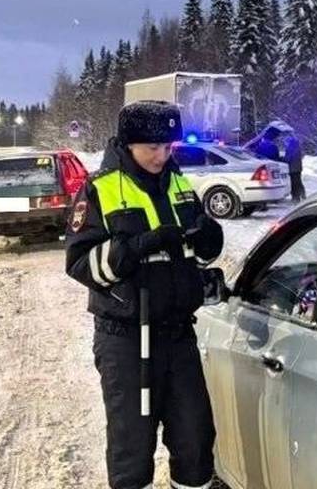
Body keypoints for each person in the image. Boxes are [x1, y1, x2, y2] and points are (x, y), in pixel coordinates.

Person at [66, 100, 224, 489]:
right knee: (132, 452)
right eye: (152, 147)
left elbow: (203, 248)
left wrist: (209, 236)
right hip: (126, 341)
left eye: (168, 147)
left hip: (178, 336)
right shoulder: (99, 189)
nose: (161, 155)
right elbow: (80, 264)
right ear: (129, 143)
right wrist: (137, 247)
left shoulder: (180, 184)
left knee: (196, 442)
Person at [283, 131, 305, 201]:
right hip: (298, 168)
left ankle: (296, 197)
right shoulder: (297, 147)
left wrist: (283, 159)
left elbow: (288, 158)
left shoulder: (290, 148)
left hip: (292, 168)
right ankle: (302, 194)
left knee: (294, 183)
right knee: (299, 181)